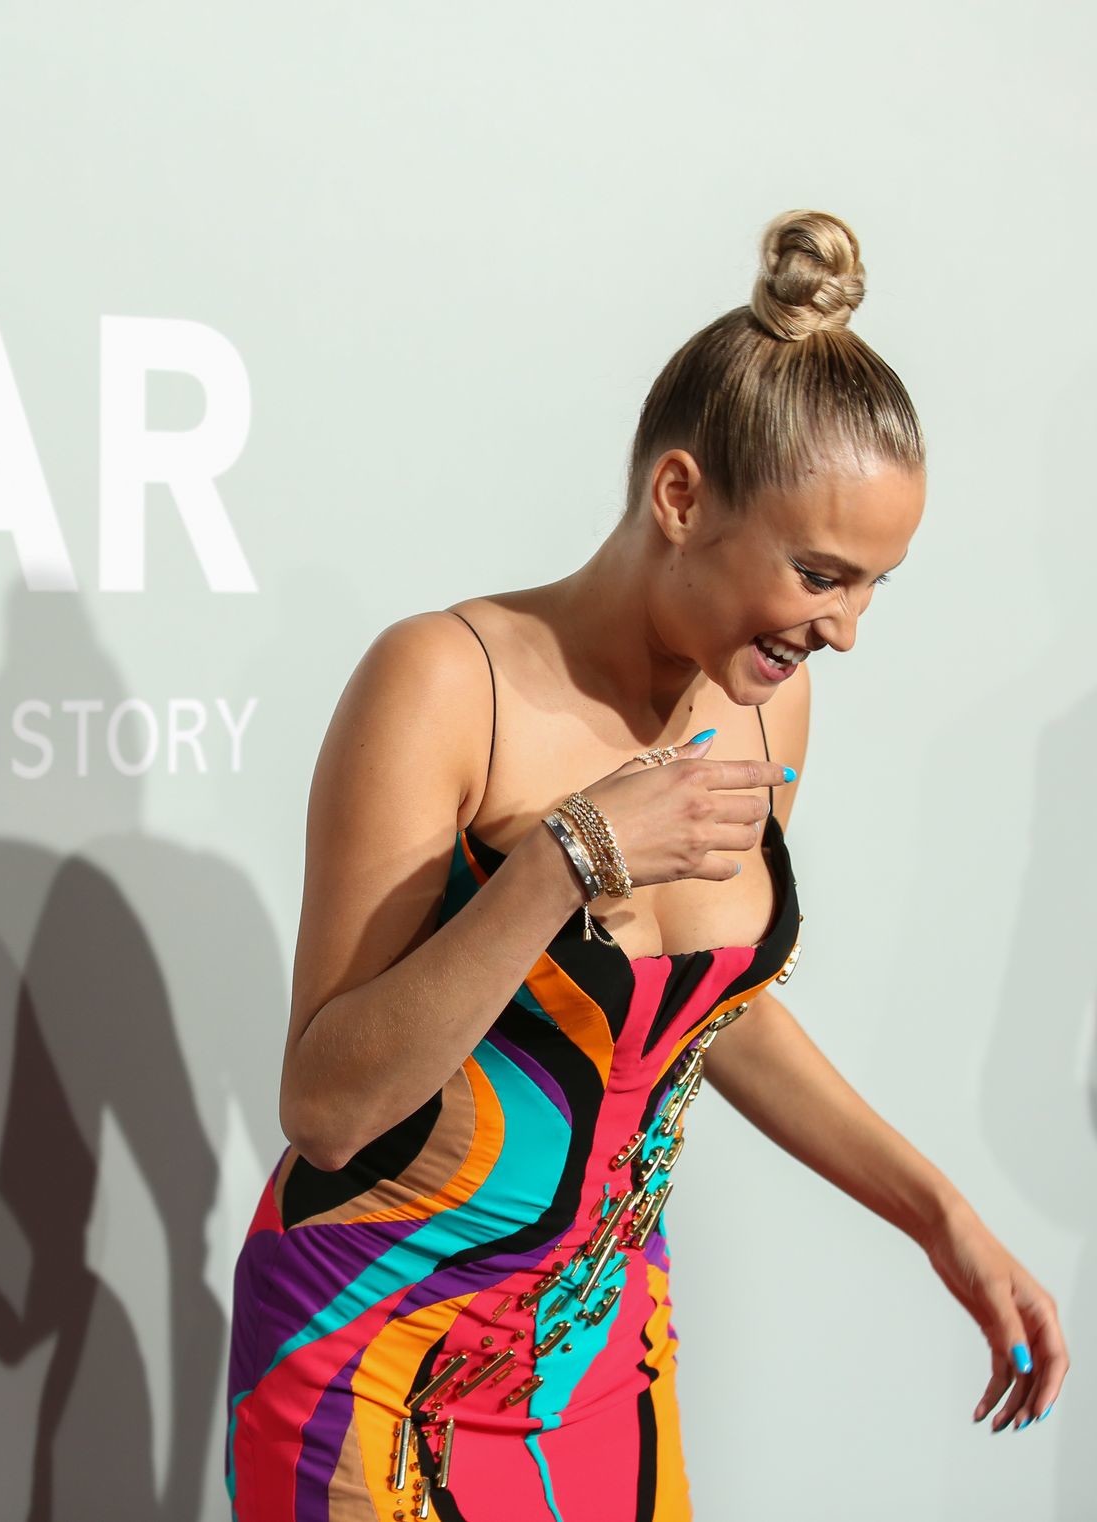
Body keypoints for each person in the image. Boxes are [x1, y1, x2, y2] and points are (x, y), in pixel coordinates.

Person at [222, 209, 1069, 1521]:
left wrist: (936, 1212)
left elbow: (701, 1010)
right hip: (369, 1355)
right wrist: (568, 858)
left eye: (873, 587)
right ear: (680, 498)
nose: (844, 629)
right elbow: (327, 1105)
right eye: (820, 574)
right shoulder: (446, 684)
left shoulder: (768, 705)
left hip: (602, 1363)